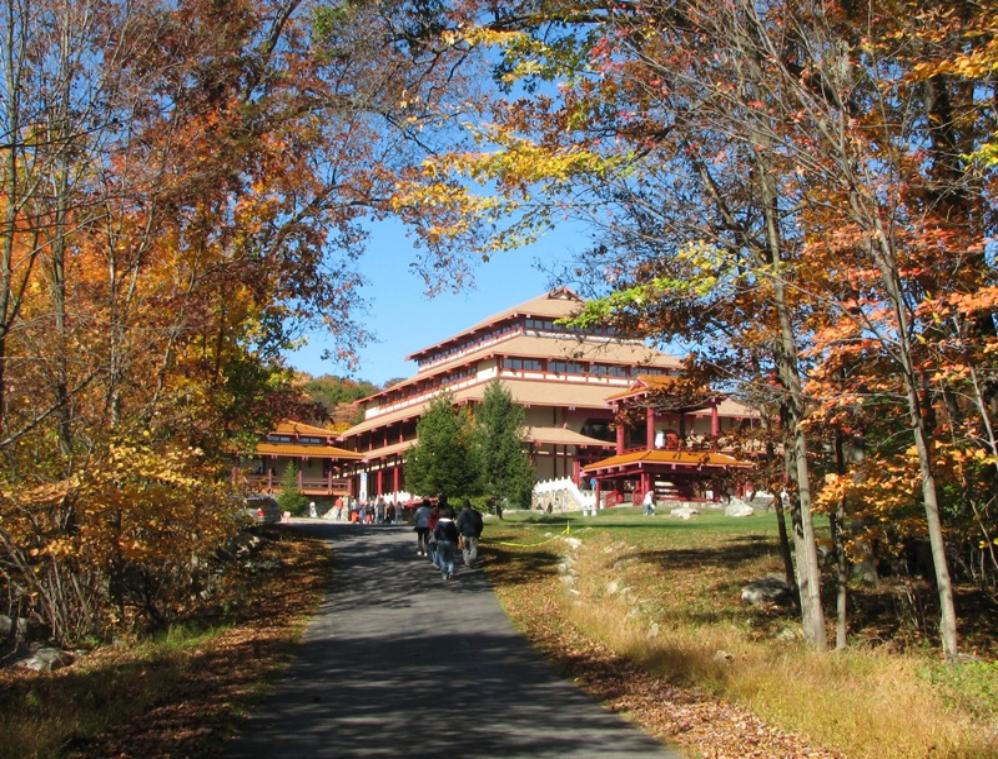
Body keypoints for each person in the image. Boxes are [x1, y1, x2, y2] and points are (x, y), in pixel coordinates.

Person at [456, 499, 484, 568]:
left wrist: (458, 533)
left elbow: (459, 525)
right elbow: (480, 524)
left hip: (464, 534)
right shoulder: (476, 513)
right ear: (470, 506)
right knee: (473, 548)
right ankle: (472, 560)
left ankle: (467, 562)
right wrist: (479, 532)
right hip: (474, 533)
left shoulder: (461, 514)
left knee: (465, 549)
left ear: (463, 506)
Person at [434, 506, 459, 580]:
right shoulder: (451, 523)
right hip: (450, 541)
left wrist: (436, 539)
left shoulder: (439, 522)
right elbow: (455, 533)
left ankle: (444, 573)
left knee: (442, 558)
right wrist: (456, 542)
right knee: (450, 558)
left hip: (441, 541)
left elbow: (436, 532)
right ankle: (451, 572)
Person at [426, 502, 442, 567]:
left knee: (433, 548)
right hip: (439, 533)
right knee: (437, 548)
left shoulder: (431, 516)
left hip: (432, 532)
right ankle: (436, 561)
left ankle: (435, 561)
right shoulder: (439, 516)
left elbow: (429, 525)